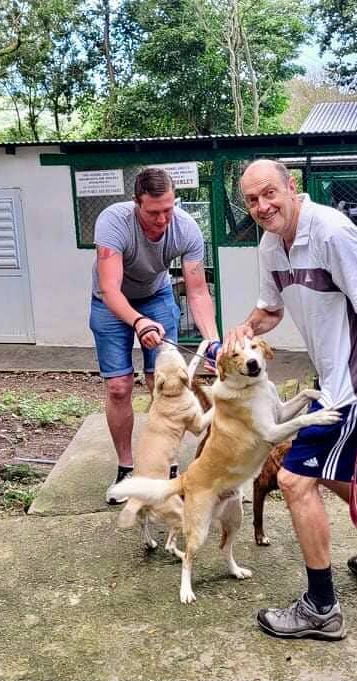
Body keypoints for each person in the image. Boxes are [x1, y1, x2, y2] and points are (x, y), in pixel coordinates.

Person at [226, 159, 357, 641]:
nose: (262, 206)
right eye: (251, 200)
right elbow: (271, 309)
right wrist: (245, 329)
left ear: (293, 187)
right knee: (336, 476)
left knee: (295, 479)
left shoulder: (333, 233)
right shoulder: (271, 245)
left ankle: (321, 608)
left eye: (269, 193)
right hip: (332, 382)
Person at [90, 167, 219, 504]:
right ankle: (126, 467)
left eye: (168, 209)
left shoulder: (186, 228)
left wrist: (212, 343)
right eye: (153, 212)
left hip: (157, 296)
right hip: (111, 302)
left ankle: (167, 463)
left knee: (163, 382)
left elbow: (198, 292)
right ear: (136, 203)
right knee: (119, 387)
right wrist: (139, 322)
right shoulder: (113, 221)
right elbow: (109, 288)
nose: (162, 219)